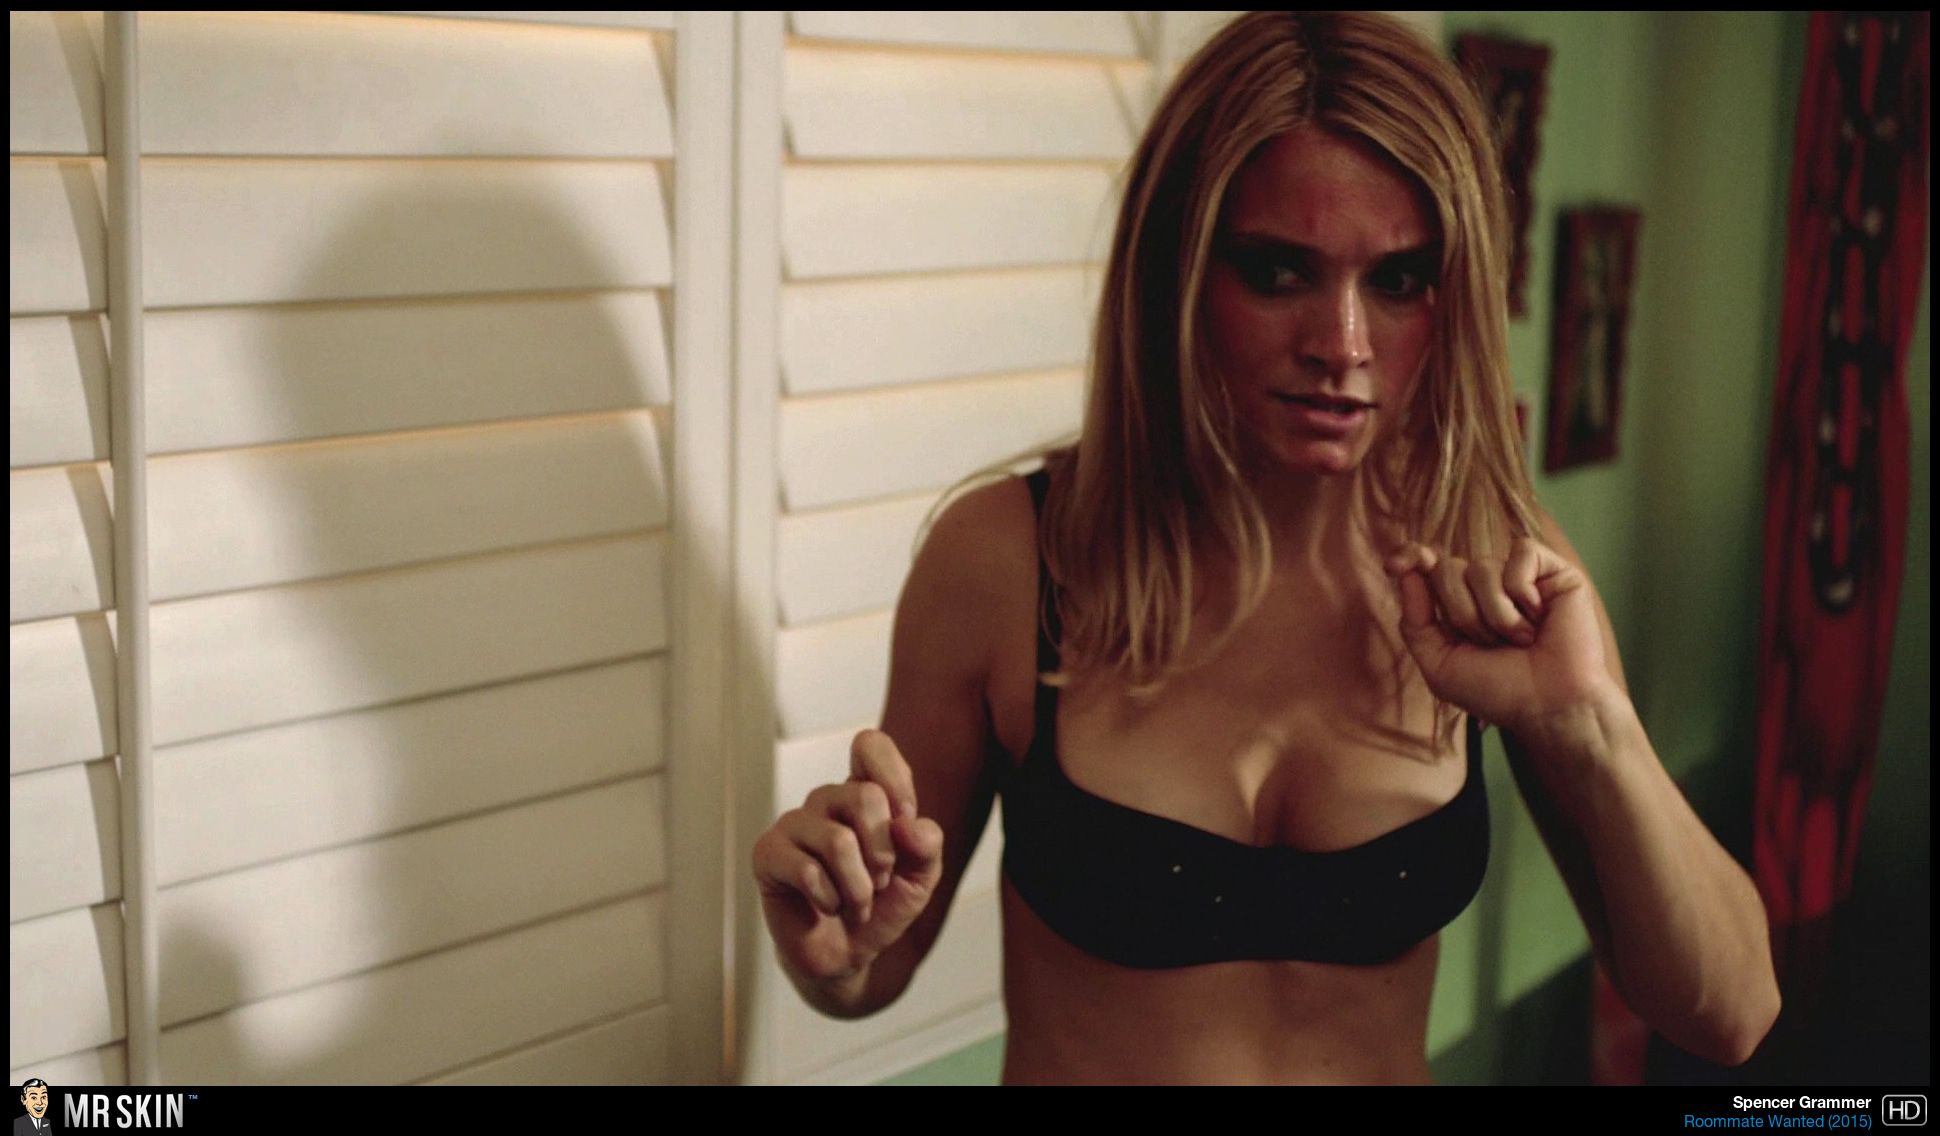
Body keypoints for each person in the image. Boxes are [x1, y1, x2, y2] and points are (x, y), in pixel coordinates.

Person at [751, 10, 1780, 1084]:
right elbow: (869, 963)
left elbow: (1732, 1012)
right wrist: (827, 948)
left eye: (1397, 280)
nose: (1341, 346)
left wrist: (1591, 728)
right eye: (1279, 272)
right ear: (1178, 272)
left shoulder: (1490, 565)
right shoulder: (1008, 563)